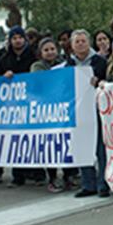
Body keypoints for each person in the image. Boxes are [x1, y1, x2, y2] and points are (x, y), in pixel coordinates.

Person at [0, 26, 37, 186]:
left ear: (24, 39)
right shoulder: (4, 59)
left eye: (20, 37)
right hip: (13, 106)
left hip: (32, 103)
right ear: (10, 41)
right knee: (17, 140)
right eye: (14, 38)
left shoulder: (33, 56)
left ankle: (37, 173)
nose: (17, 40)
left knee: (34, 139)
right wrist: (4, 77)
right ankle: (18, 176)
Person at [66, 30, 110, 198]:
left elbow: (106, 81)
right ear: (72, 45)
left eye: (83, 41)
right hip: (79, 112)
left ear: (89, 42)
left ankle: (103, 184)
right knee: (82, 148)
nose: (80, 44)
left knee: (100, 148)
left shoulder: (100, 62)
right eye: (77, 41)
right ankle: (88, 184)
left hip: (97, 109)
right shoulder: (68, 65)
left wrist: (98, 82)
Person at [31, 38, 77, 193]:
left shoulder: (67, 62)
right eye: (46, 50)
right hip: (46, 111)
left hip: (64, 109)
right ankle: (52, 177)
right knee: (50, 146)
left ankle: (68, 176)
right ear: (41, 52)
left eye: (52, 49)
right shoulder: (37, 66)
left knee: (67, 143)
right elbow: (37, 83)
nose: (50, 52)